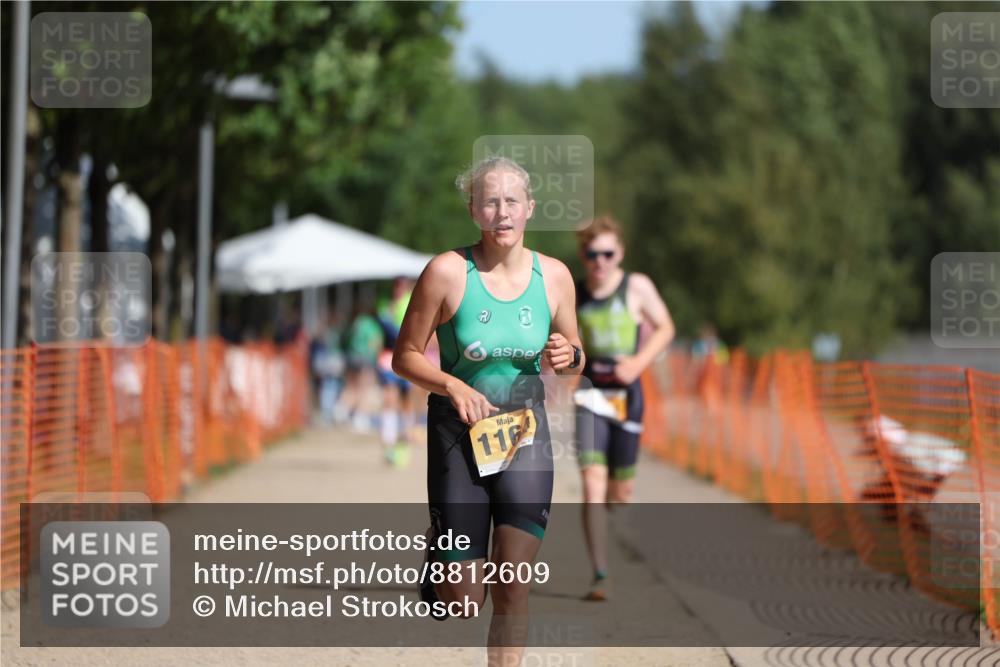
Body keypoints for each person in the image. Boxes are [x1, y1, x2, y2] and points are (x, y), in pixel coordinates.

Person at [392, 156, 583, 665]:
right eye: (490, 202)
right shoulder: (447, 272)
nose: (502, 212)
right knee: (463, 602)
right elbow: (404, 356)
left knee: (513, 582)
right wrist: (452, 384)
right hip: (457, 433)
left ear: (529, 209)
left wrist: (569, 356)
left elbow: (575, 354)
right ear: (474, 210)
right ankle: (442, 555)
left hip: (524, 433)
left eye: (512, 201)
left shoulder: (556, 277)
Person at [573, 215, 675, 601]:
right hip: (591, 395)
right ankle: (600, 573)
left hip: (628, 396)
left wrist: (639, 362)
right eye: (592, 254)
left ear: (620, 253)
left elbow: (665, 327)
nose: (600, 262)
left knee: (621, 491)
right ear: (583, 255)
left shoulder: (637, 287)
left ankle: (616, 511)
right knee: (592, 485)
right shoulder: (576, 291)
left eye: (608, 254)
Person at [376, 278, 416, 467]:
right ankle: (388, 439)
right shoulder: (386, 305)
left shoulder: (410, 301)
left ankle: (407, 432)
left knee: (406, 399)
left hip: (405, 356)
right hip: (388, 356)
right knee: (389, 397)